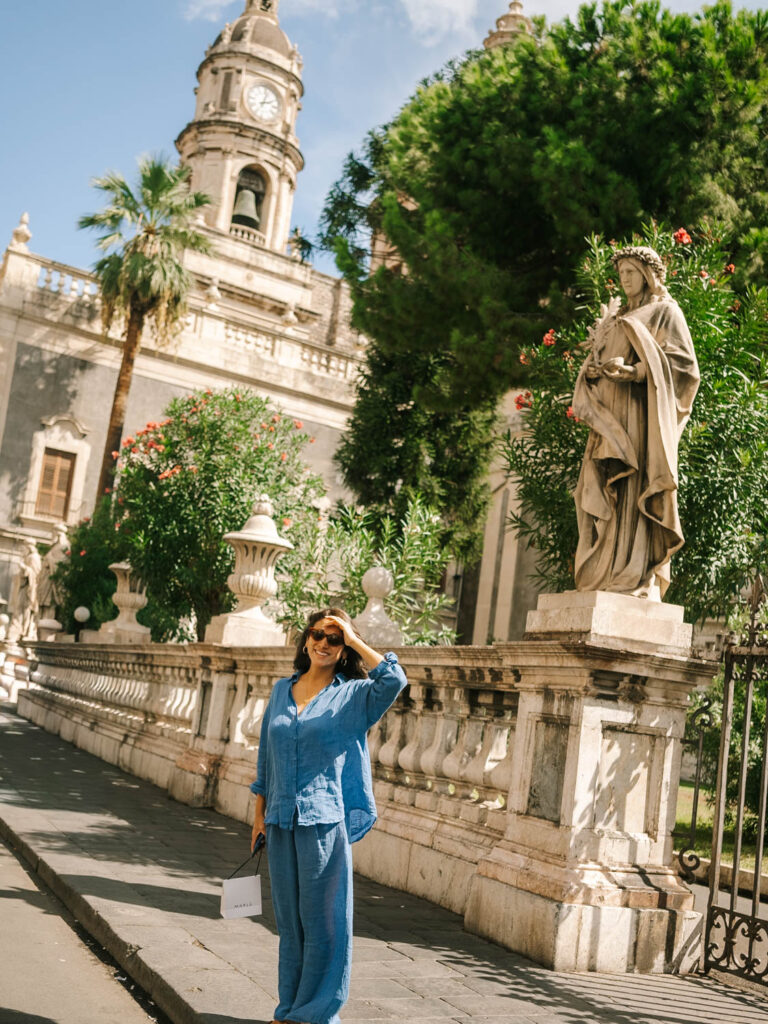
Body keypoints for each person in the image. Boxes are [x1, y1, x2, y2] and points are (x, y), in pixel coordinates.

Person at [250, 607, 407, 1024]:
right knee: (291, 925)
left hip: (323, 821)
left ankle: (315, 1014)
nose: (323, 642)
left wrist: (354, 637)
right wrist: (258, 815)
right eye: (318, 634)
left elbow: (395, 680)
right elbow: (266, 757)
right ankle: (289, 1009)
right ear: (306, 639)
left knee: (324, 924)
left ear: (343, 648)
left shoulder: (353, 696)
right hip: (281, 821)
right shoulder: (282, 691)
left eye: (333, 638)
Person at [572, 245, 700, 598]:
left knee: (632, 489)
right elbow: (597, 360)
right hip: (609, 420)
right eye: (621, 273)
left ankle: (633, 574)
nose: (624, 279)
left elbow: (685, 369)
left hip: (640, 421)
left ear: (647, 274)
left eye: (630, 271)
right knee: (604, 487)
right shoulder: (614, 319)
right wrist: (596, 373)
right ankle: (603, 573)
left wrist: (636, 372)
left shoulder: (664, 313)